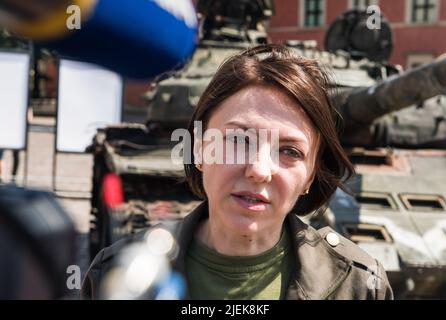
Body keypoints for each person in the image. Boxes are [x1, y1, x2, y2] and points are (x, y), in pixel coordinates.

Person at [81, 44, 393, 300]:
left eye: (290, 151)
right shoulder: (116, 276)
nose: (259, 170)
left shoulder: (360, 286)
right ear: (200, 149)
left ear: (310, 175)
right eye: (238, 140)